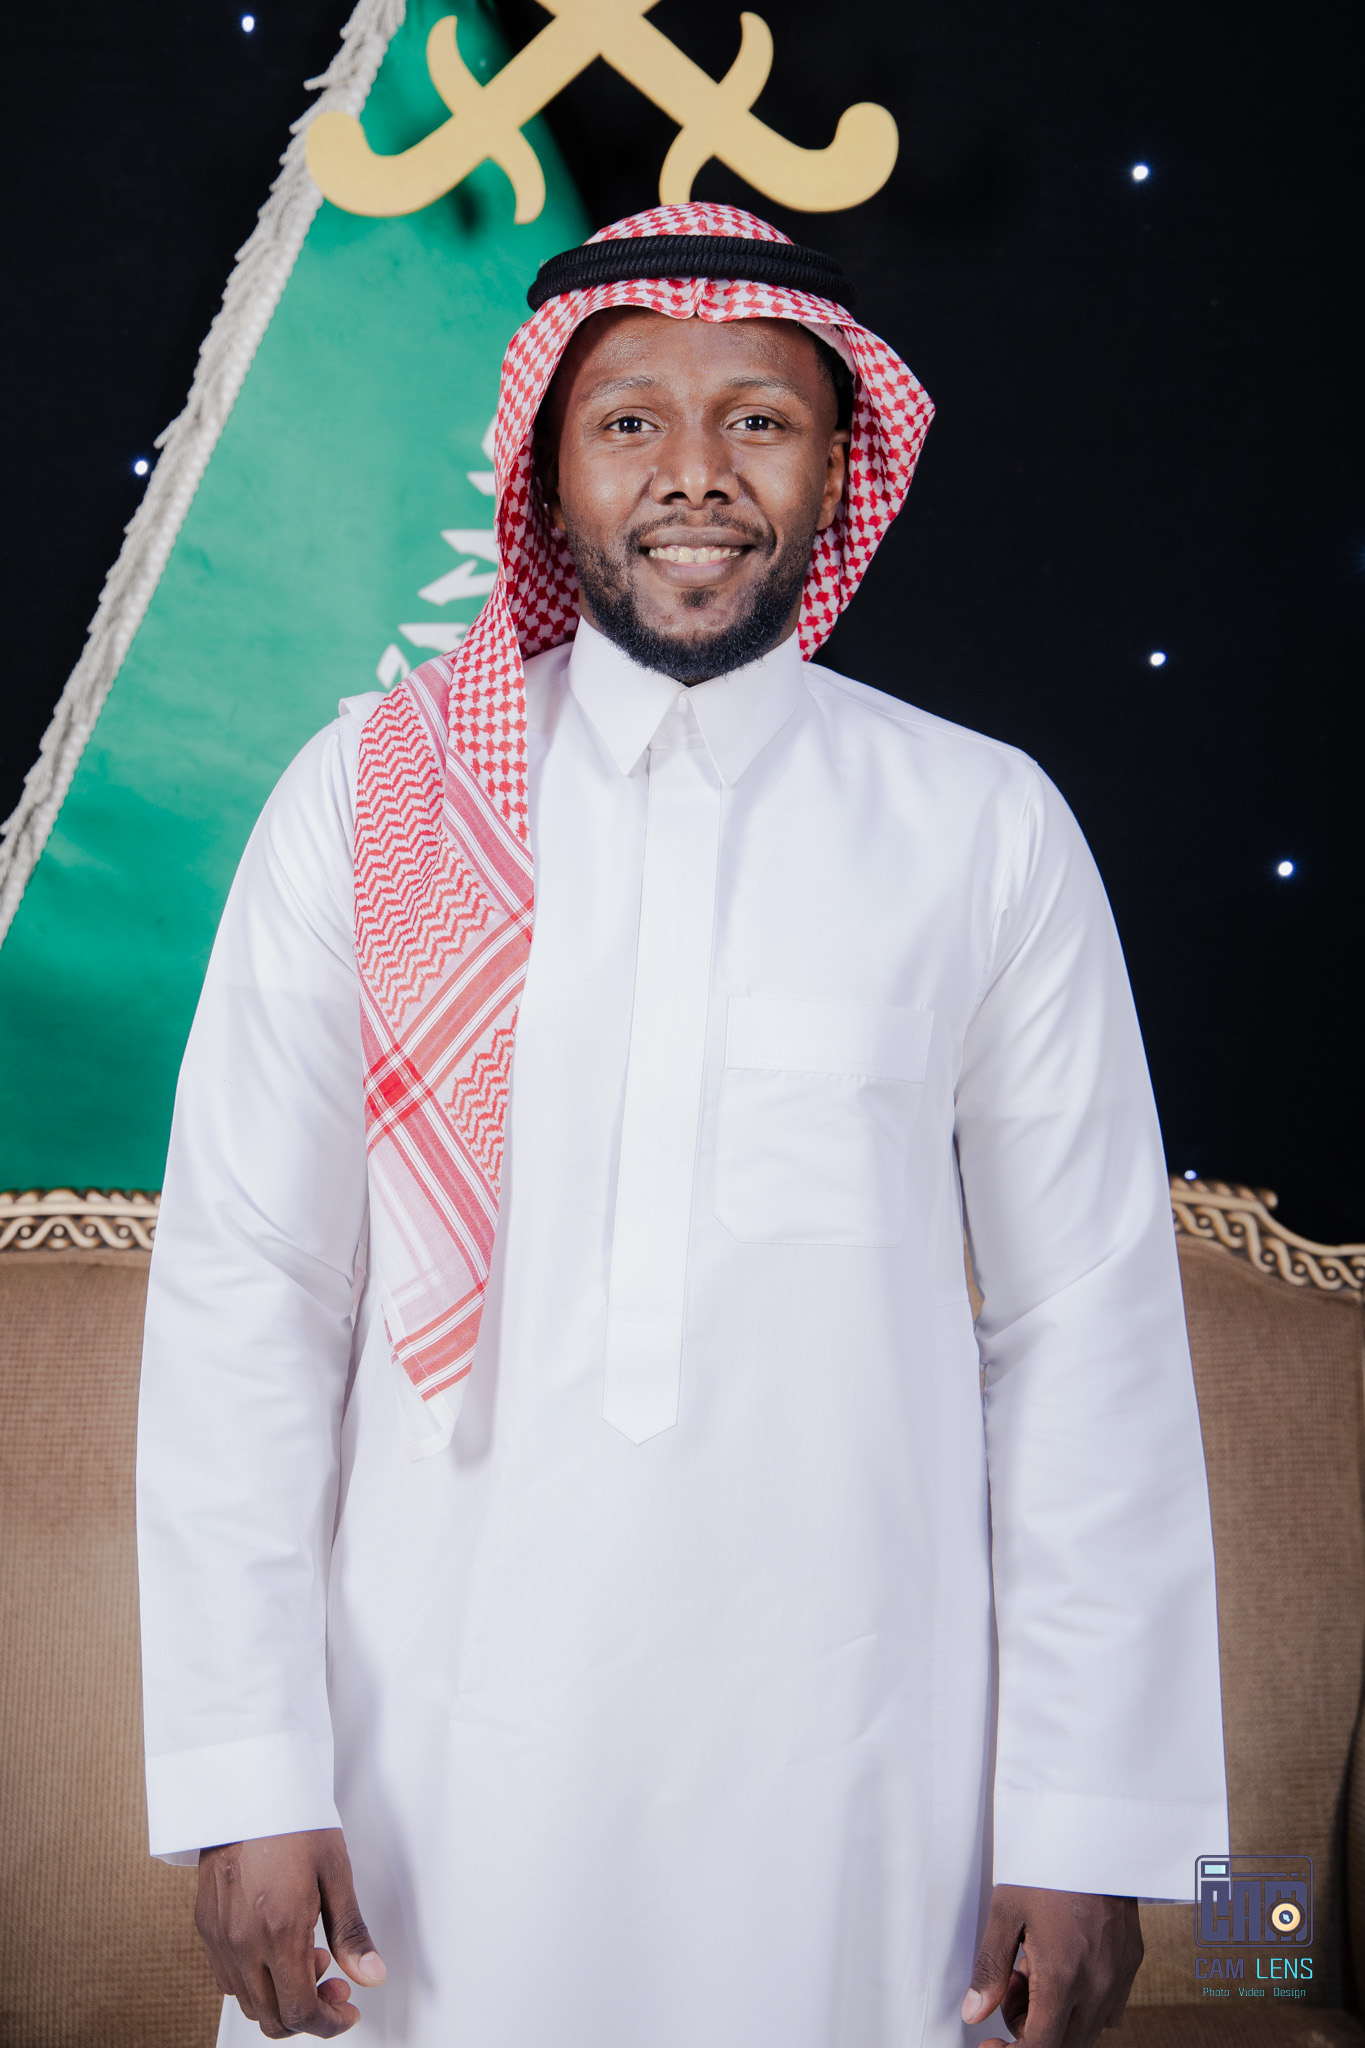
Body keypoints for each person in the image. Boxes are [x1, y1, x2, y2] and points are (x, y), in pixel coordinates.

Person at [137, 203, 1228, 2048]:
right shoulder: (371, 803)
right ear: (546, 470)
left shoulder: (979, 825)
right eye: (630, 420)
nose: (695, 473)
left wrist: (1087, 1821)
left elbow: (1085, 1335)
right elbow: (250, 1296)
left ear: (840, 467)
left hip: (858, 1771)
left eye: (760, 421)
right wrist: (245, 1772)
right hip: (435, 1759)